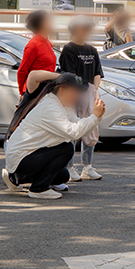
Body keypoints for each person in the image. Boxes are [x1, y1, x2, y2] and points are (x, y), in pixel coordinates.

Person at [2, 73, 105, 199]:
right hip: (21, 157)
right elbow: (73, 132)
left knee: (62, 176)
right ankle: (38, 189)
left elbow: (81, 129)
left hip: (27, 156)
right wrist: (94, 117)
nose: (78, 96)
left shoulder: (63, 105)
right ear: (62, 89)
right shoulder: (50, 106)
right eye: (75, 91)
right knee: (66, 148)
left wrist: (96, 118)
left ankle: (15, 178)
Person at [58, 15, 104, 181]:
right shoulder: (68, 49)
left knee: (91, 128)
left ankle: (87, 167)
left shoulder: (92, 50)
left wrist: (95, 91)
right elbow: (69, 74)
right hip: (75, 92)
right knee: (73, 129)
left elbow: (97, 73)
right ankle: (69, 168)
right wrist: (77, 92)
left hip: (90, 91)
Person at [17, 9, 58, 96]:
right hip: (35, 91)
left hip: (47, 89)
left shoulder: (47, 43)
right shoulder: (33, 44)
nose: (52, 23)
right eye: (49, 20)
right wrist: (22, 94)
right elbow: (22, 71)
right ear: (42, 24)